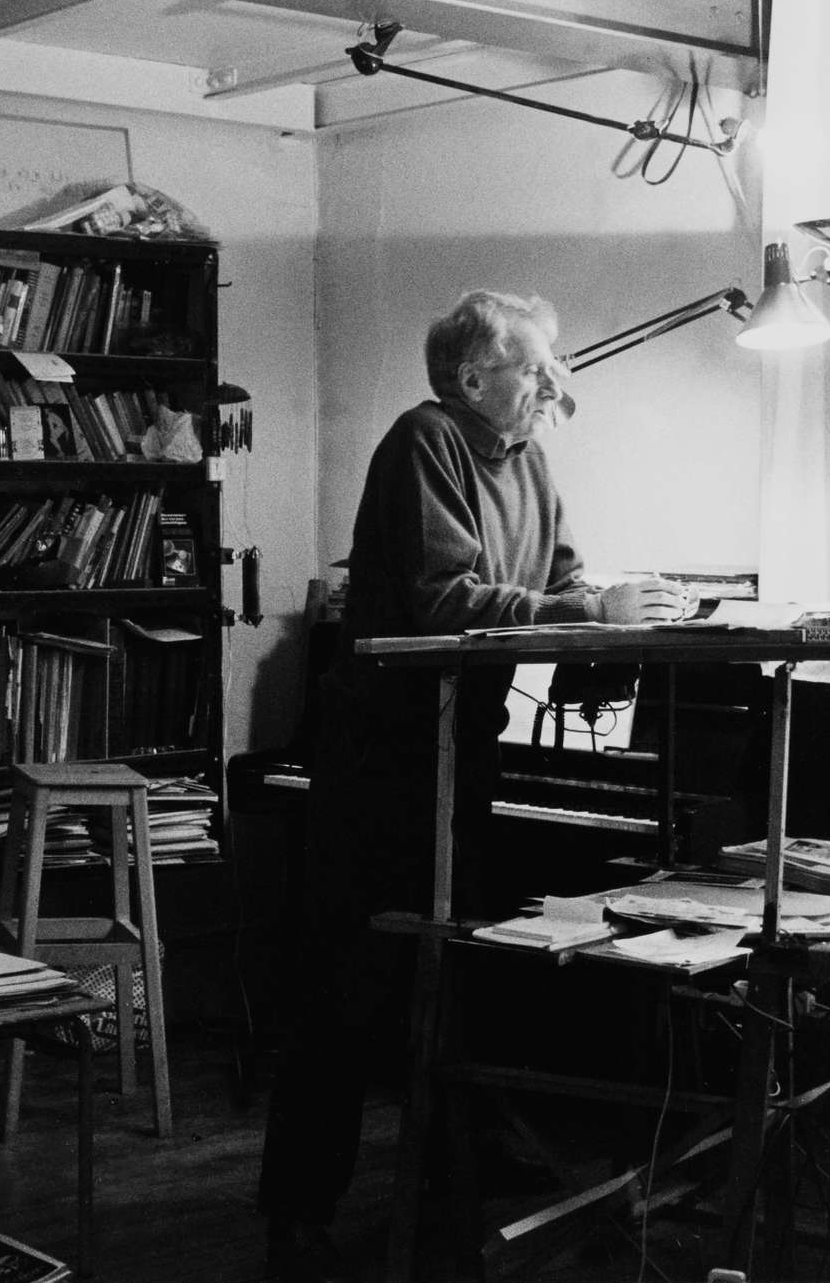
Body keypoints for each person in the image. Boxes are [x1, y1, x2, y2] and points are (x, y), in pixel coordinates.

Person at [258, 288, 684, 1281]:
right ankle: (296, 1213)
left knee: (459, 972)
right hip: (381, 763)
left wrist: (620, 627)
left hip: (466, 750)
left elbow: (565, 589)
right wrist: (587, 606)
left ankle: (458, 1170)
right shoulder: (426, 440)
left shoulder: (529, 458)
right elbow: (447, 599)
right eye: (534, 369)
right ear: (471, 377)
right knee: (347, 990)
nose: (550, 386)